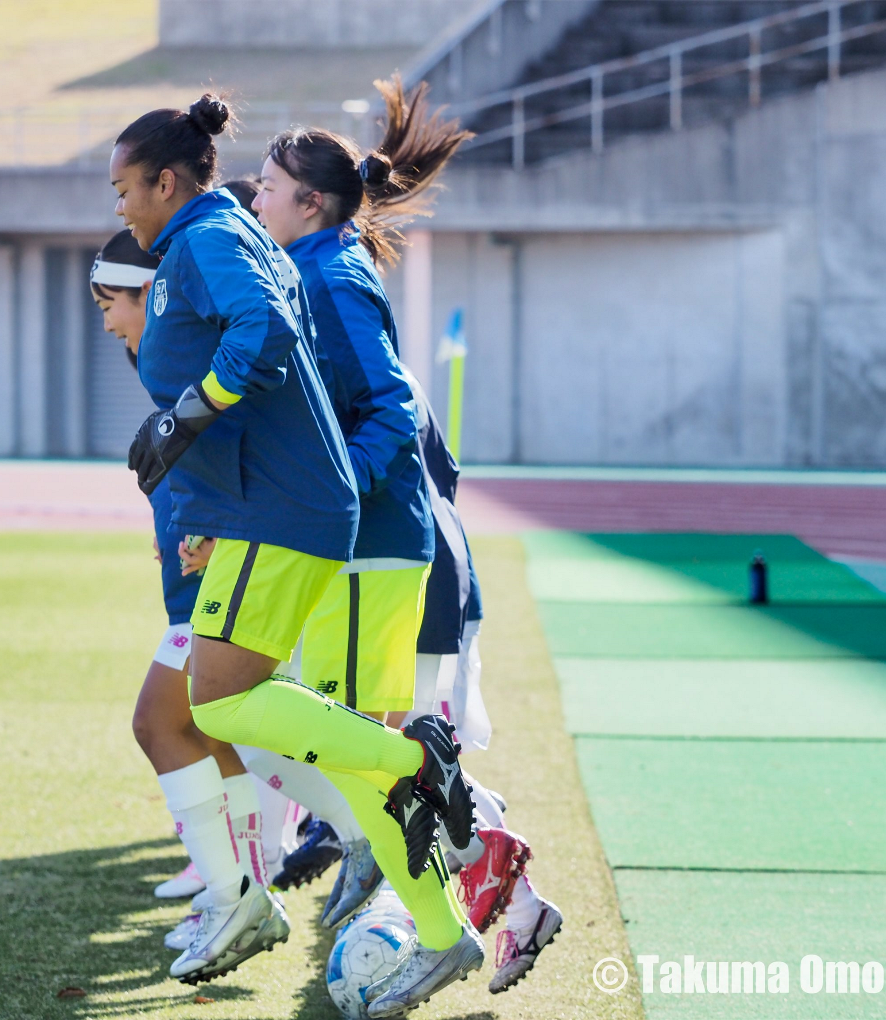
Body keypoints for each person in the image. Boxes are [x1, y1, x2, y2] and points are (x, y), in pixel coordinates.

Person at [112, 93, 480, 1007]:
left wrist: (187, 410)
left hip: (317, 527)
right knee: (261, 726)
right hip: (279, 516)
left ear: (166, 181)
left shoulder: (227, 245)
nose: (118, 205)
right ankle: (438, 925)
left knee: (237, 711)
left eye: (123, 187)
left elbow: (298, 357)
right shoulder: (239, 244)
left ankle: (430, 791)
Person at [249, 76, 475, 957]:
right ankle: (410, 875)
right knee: (343, 737)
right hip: (365, 546)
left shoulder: (332, 277)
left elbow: (387, 407)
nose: (255, 197)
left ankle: (429, 875)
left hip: (368, 544)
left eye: (266, 186)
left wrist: (337, 496)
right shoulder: (313, 264)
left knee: (334, 736)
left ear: (309, 201)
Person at [88, 229, 274, 954]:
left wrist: (211, 526)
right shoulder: (166, 374)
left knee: (164, 725)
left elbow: (237, 449)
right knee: (214, 732)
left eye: (112, 303)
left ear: (151, 296)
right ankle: (242, 887)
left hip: (223, 587)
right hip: (199, 588)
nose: (106, 322)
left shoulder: (196, 368)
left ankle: (241, 894)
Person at [400, 370, 565, 994]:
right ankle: (518, 904)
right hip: (429, 569)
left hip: (414, 580)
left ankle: (497, 890)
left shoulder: (330, 294)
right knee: (413, 763)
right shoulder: (337, 305)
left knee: (403, 761)